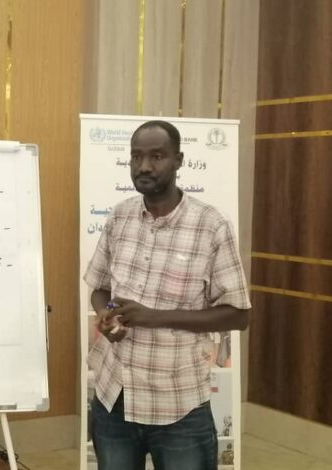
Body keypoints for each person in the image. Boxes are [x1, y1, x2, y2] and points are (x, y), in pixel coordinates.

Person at [84, 120, 251, 470]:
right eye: (136, 156)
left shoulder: (211, 226)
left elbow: (238, 314)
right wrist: (107, 313)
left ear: (178, 161)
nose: (144, 166)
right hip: (114, 398)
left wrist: (153, 317)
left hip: (178, 406)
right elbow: (100, 287)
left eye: (157, 156)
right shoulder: (120, 217)